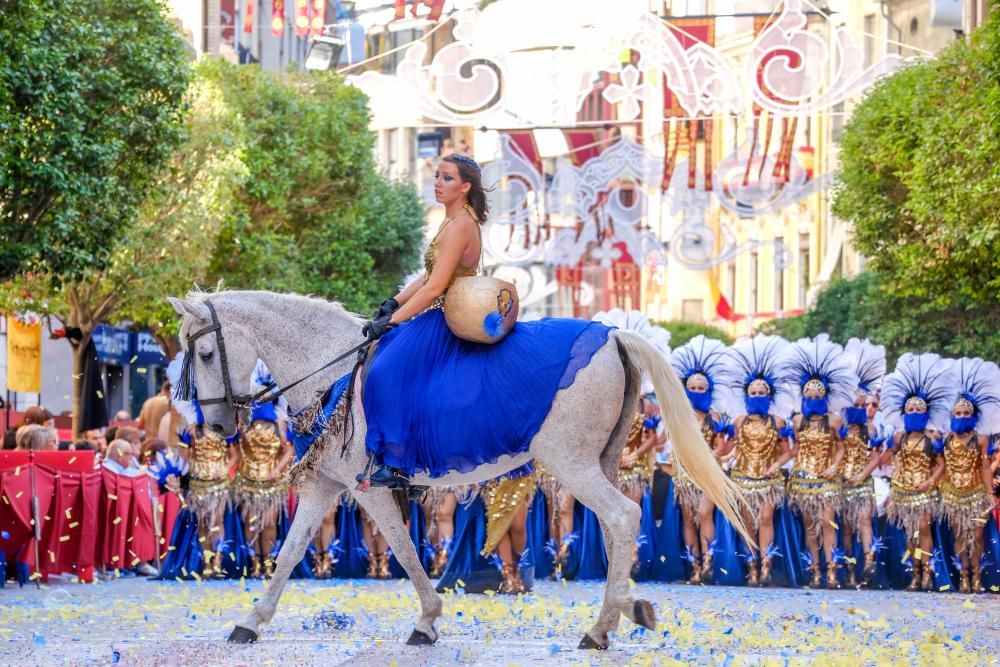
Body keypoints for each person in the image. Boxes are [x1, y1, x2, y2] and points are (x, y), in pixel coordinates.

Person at [358, 154, 612, 487]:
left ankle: (398, 466)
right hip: (438, 312)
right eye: (437, 175)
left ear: (465, 187)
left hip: (445, 319)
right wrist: (393, 303)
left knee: (385, 373)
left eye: (447, 178)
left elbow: (436, 286)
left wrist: (391, 323)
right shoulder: (450, 221)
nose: (437, 182)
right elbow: (428, 276)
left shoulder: (462, 224)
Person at [780, 335, 857, 589]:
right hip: (803, 479)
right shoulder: (797, 421)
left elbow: (842, 448)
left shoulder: (835, 420)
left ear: (824, 395)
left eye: (817, 395)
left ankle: (832, 571)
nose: (813, 398)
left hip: (828, 480)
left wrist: (835, 465)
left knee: (828, 522)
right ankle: (815, 571)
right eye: (808, 395)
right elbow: (795, 450)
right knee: (810, 525)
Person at [719, 335, 793, 587]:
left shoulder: (778, 422)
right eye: (754, 392)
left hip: (769, 480)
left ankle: (766, 567)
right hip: (743, 477)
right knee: (748, 522)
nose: (758, 395)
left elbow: (787, 452)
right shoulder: (739, 421)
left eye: (762, 392)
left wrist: (776, 465)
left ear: (769, 395)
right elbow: (735, 449)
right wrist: (722, 455)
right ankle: (751, 567)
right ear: (746, 395)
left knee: (765, 519)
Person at [879, 353, 952, 592]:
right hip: (902, 490)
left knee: (923, 528)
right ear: (903, 412)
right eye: (910, 409)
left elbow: (941, 464)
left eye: (918, 410)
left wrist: (931, 481)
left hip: (924, 489)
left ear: (926, 413)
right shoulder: (899, 436)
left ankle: (927, 571)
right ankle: (915, 572)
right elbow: (884, 459)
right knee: (910, 533)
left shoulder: (932, 437)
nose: (914, 413)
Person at [670, 335, 730, 584]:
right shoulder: (677, 415)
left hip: (708, 473)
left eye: (701, 389)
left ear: (708, 391)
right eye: (692, 388)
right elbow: (670, 443)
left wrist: (707, 459)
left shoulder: (716, 417)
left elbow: (723, 447)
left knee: (705, 514)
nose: (696, 392)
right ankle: (693, 567)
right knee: (688, 517)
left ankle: (708, 564)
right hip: (684, 473)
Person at [938, 358, 1000, 593]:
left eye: (966, 413)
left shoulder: (981, 439)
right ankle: (963, 575)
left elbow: (985, 467)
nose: (962, 416)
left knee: (977, 536)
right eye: (958, 412)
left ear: (973, 415)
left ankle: (976, 576)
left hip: (976, 495)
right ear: (952, 414)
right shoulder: (945, 439)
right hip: (953, 495)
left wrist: (989, 492)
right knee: (960, 537)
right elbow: (941, 466)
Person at [839, 339, 888, 587]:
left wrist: (862, 475)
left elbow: (876, 457)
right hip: (843, 484)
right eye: (855, 405)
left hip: (863, 482)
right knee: (847, 528)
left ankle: (869, 561)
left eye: (863, 404)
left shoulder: (870, 427)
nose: (860, 408)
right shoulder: (839, 425)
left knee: (865, 520)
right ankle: (849, 570)